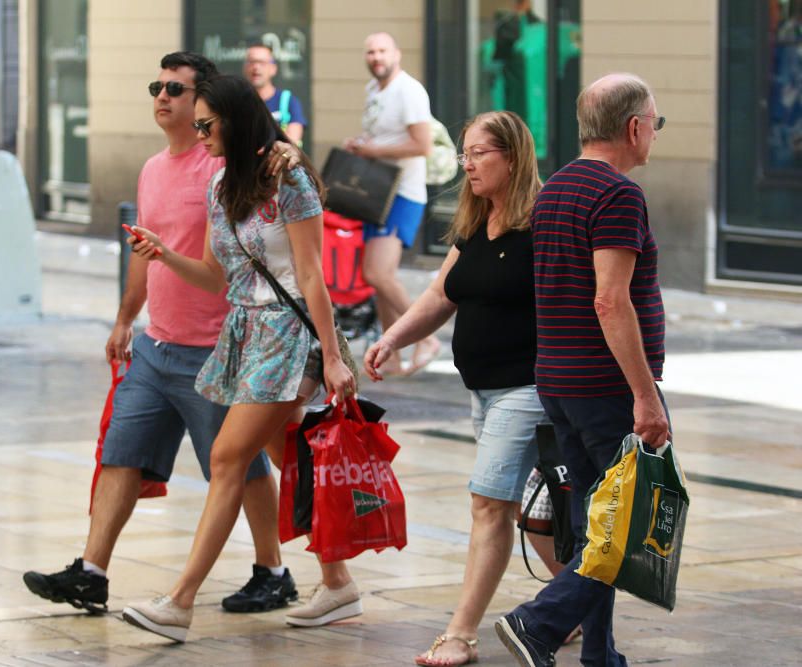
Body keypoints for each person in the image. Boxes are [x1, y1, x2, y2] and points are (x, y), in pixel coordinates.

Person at [22, 52, 304, 617]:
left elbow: (282, 169)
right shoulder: (152, 169)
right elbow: (144, 256)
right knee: (121, 452)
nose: (163, 97)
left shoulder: (226, 166)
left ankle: (273, 570)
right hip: (156, 344)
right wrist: (126, 319)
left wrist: (287, 149)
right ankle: (93, 571)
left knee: (240, 466)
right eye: (158, 86)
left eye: (177, 89)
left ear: (207, 105)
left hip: (217, 347)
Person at [121, 74, 359, 643]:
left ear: (235, 119)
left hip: (289, 334)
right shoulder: (223, 183)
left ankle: (179, 602)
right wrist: (162, 255)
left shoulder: (289, 177)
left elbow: (308, 275)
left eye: (207, 124)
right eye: (197, 126)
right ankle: (338, 581)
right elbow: (213, 274)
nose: (198, 134)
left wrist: (331, 356)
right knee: (290, 457)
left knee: (228, 457)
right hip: (246, 331)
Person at [363, 111, 566, 667]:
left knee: (488, 504)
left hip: (528, 387)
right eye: (464, 155)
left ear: (512, 156)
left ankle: (460, 634)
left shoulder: (544, 221)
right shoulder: (479, 221)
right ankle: (573, 606)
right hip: (484, 391)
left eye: (479, 154)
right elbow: (439, 294)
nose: (467, 165)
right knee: (530, 512)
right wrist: (393, 337)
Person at [494, 73, 670, 667]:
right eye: (656, 122)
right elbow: (608, 300)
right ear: (634, 127)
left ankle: (600, 654)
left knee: (595, 522)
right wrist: (646, 398)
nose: (655, 133)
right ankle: (537, 623)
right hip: (604, 387)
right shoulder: (618, 194)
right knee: (628, 525)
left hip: (562, 382)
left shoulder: (557, 189)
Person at [344, 31, 442, 376]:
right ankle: (393, 356)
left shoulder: (409, 90)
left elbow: (422, 145)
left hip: (403, 193)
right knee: (378, 277)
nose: (376, 57)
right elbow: (382, 136)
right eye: (370, 51)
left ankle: (427, 336)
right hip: (376, 194)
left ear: (396, 54)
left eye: (382, 50)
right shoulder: (374, 90)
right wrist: (361, 144)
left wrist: (374, 151)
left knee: (377, 273)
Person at [244, 44, 307, 145]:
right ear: (245, 67)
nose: (256, 67)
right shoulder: (236, 101)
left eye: (262, 62)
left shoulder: (288, 101)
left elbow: (293, 140)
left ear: (273, 69)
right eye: (251, 62)